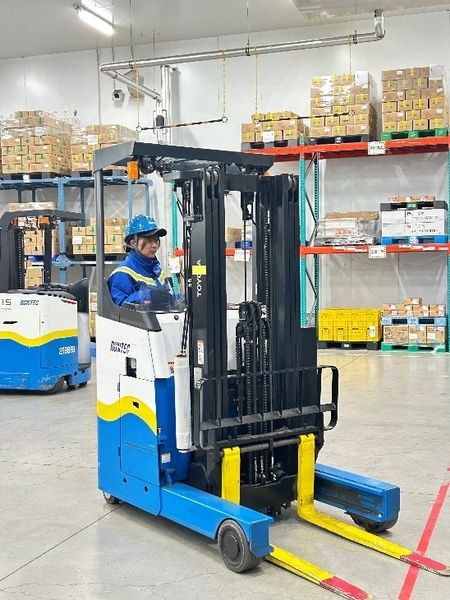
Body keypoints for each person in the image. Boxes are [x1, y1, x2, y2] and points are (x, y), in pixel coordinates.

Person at [108, 214, 175, 309]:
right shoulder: (122, 273)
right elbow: (120, 307)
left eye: (156, 240)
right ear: (133, 243)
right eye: (149, 240)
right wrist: (148, 296)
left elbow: (167, 298)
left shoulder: (156, 270)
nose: (155, 245)